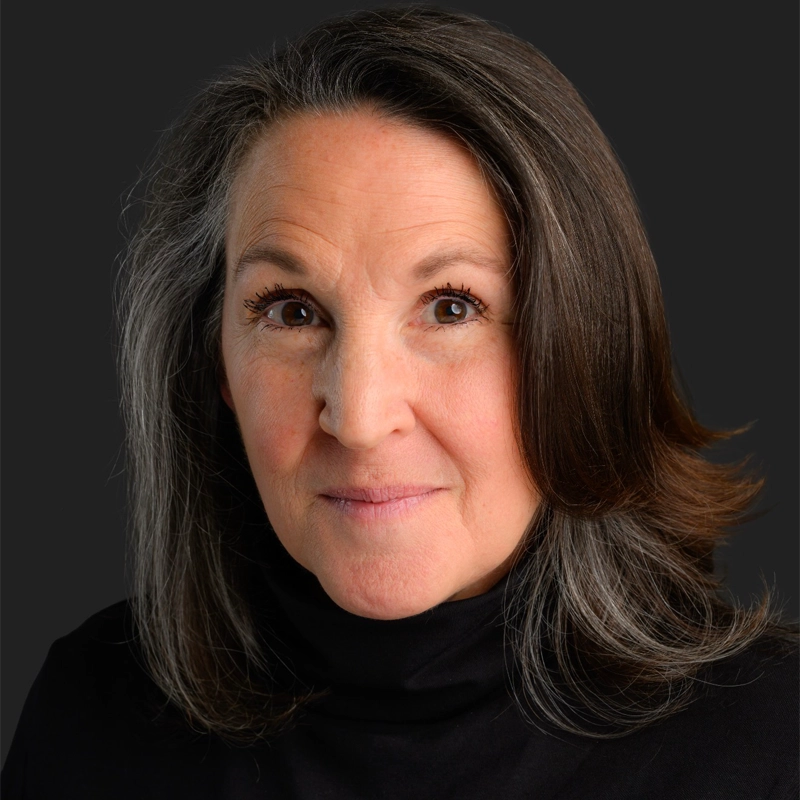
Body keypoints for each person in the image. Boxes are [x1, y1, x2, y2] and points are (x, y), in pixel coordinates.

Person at [3, 6, 797, 798]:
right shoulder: (90, 718)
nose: (357, 416)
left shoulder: (774, 744)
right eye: (291, 311)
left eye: (451, 307)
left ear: (582, 347)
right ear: (215, 360)